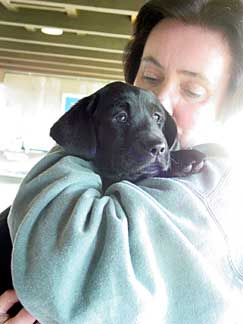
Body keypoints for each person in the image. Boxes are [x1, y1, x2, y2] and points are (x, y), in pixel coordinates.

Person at [1, 0, 243, 323]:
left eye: (193, 90)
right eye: (151, 76)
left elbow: (57, 274)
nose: (163, 105)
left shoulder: (214, 196)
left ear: (230, 107)